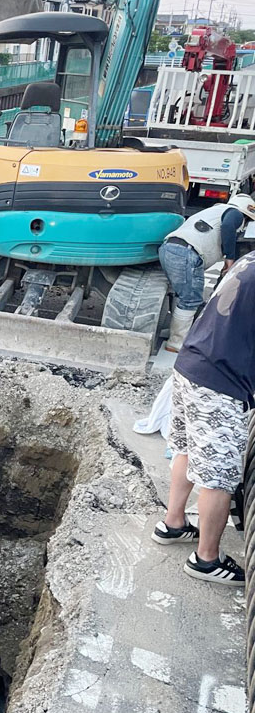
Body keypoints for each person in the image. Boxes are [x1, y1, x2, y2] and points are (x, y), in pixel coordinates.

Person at [151, 250, 255, 586]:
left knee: (186, 449)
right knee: (219, 477)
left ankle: (173, 523)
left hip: (191, 365)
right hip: (220, 382)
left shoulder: (250, 259)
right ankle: (206, 559)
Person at [158, 192, 255, 350]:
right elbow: (228, 226)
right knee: (191, 299)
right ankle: (176, 342)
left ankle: (175, 331)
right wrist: (229, 259)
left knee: (183, 294)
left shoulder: (213, 212)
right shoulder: (234, 213)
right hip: (187, 252)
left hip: (169, 248)